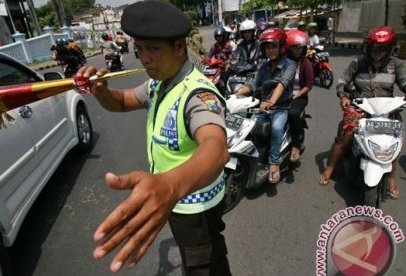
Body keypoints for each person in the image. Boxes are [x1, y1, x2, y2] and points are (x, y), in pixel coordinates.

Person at [75, 2, 232, 274]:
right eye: (140, 49)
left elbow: (216, 148)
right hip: (172, 199)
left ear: (179, 48)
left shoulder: (197, 94)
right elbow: (123, 101)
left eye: (154, 49)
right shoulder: (158, 83)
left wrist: (169, 185)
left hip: (196, 208)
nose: (144, 58)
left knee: (206, 267)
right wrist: (101, 91)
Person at [318, 26, 406, 201]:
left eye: (383, 49)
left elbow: (404, 82)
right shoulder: (358, 63)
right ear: (368, 48)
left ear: (390, 49)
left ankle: (391, 178)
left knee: (393, 141)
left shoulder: (396, 64)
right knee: (346, 138)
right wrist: (343, 95)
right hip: (361, 106)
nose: (378, 53)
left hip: (387, 108)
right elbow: (343, 80)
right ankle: (330, 167)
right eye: (374, 49)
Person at [235, 28, 296, 183]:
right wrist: (234, 96)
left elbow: (282, 84)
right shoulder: (264, 67)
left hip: (281, 108)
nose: (270, 50)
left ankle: (273, 162)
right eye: (267, 47)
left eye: (274, 46)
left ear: (282, 47)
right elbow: (252, 84)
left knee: (276, 129)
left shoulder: (290, 65)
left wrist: (270, 102)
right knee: (245, 126)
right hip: (262, 108)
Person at [285, 30, 314, 162]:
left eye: (299, 47)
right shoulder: (283, 61)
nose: (297, 50)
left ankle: (295, 146)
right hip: (282, 95)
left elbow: (308, 85)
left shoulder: (306, 63)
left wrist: (295, 97)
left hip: (299, 96)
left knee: (293, 113)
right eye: (293, 47)